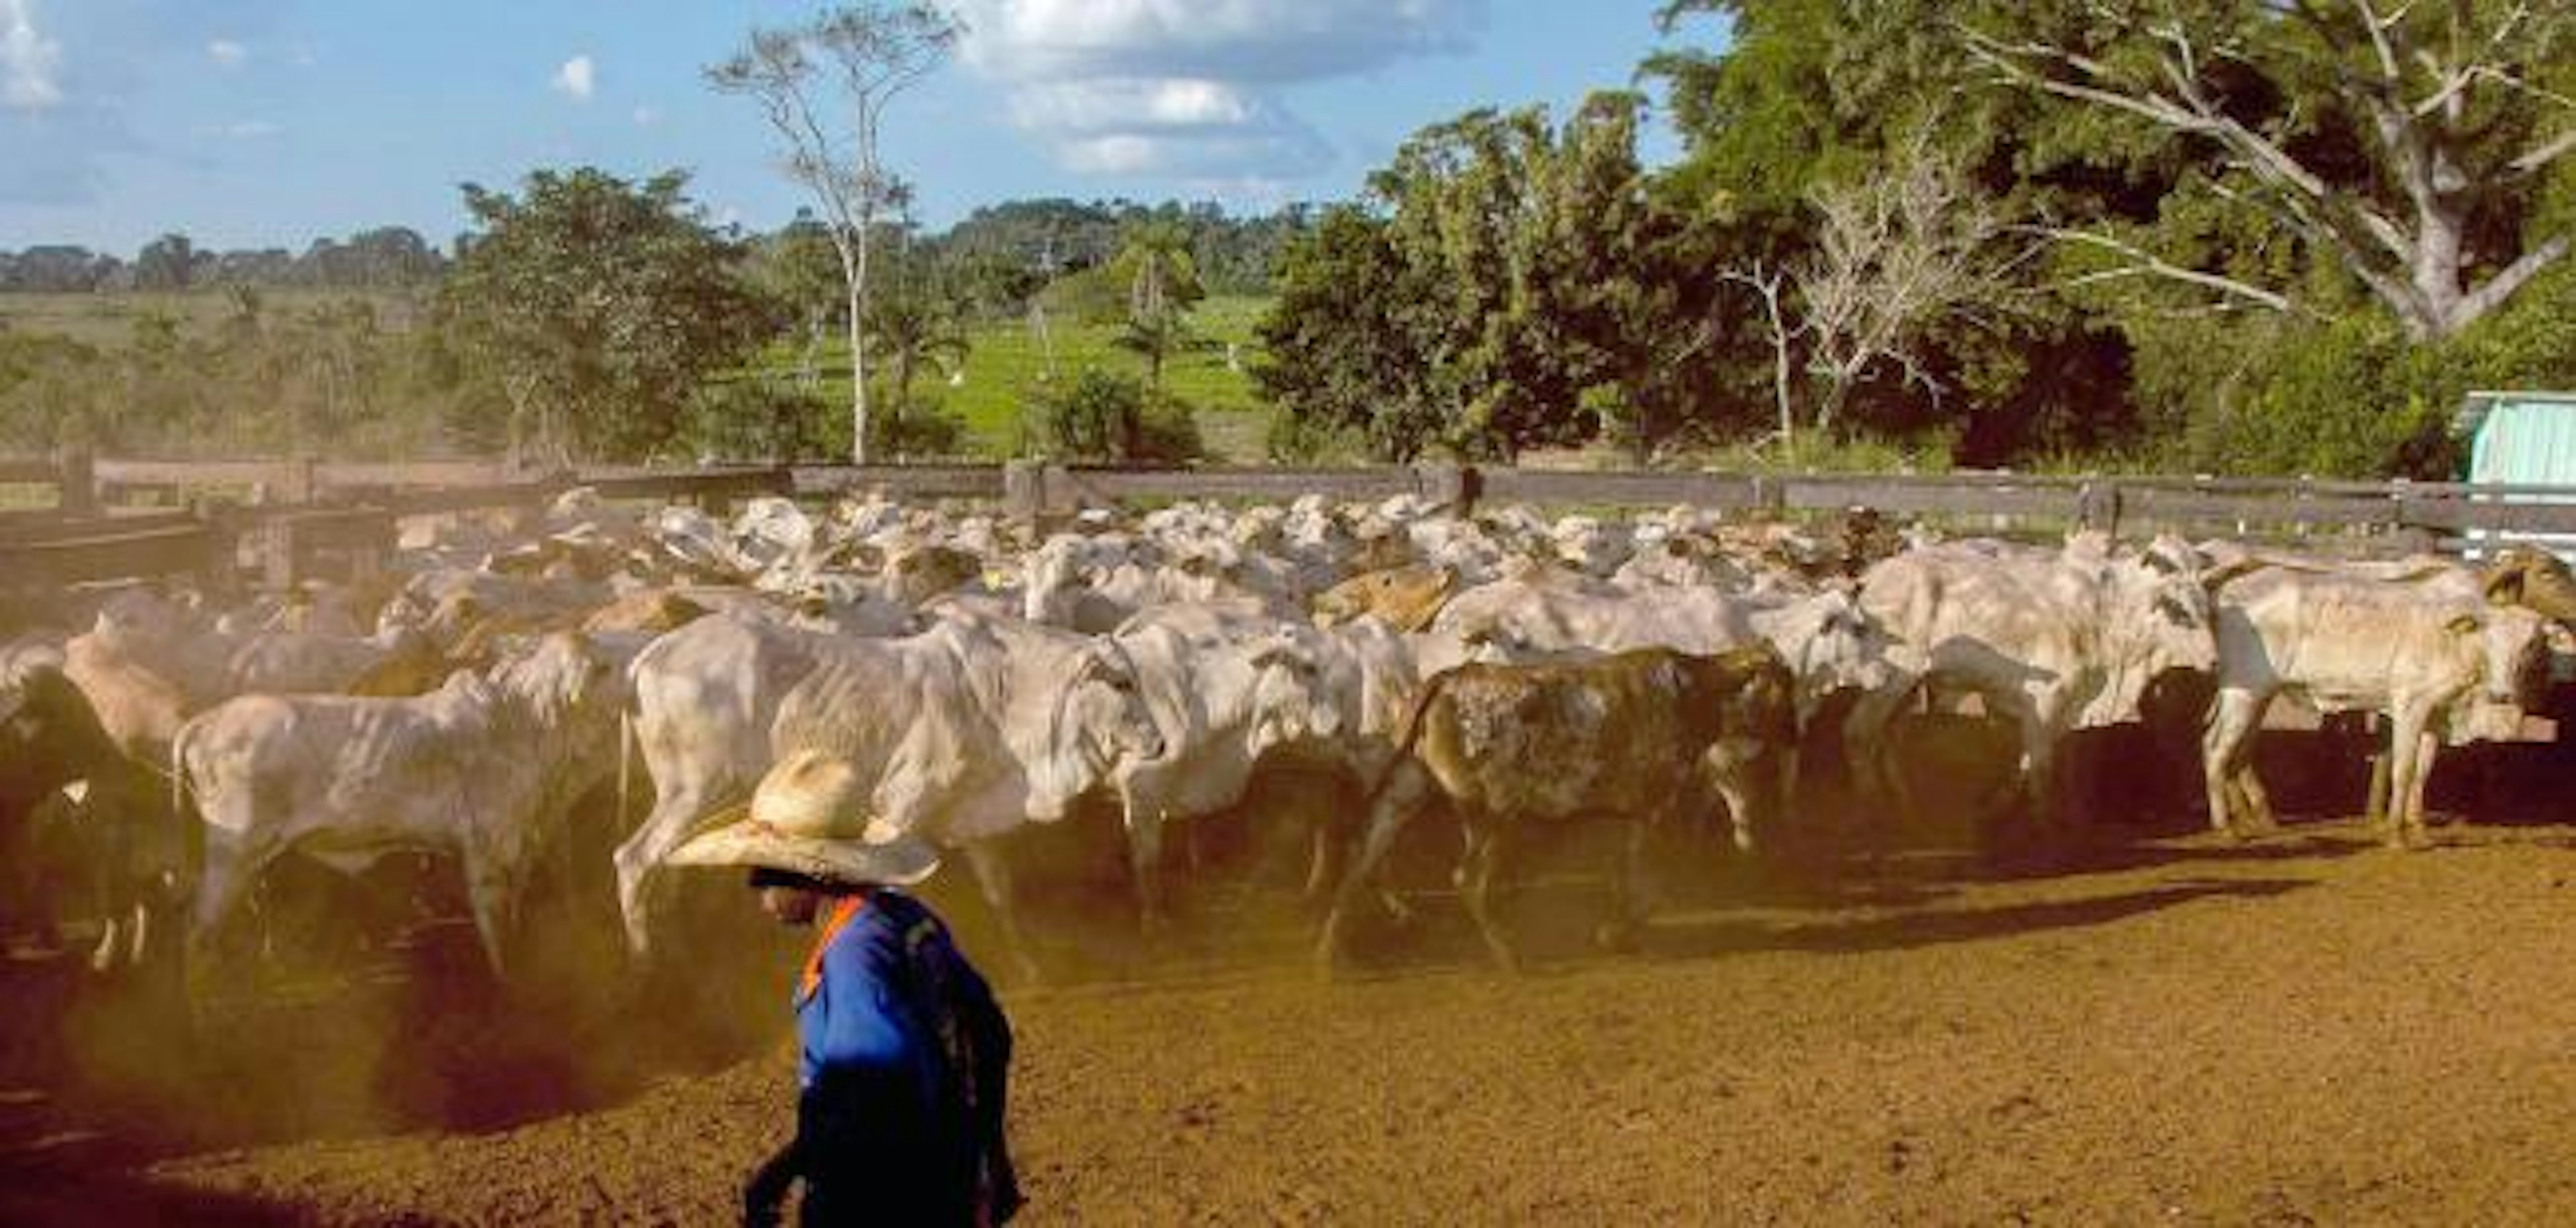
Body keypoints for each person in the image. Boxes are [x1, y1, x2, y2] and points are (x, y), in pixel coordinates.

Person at [670, 750, 1020, 1227]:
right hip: (945, 1173)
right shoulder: (906, 917)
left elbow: (868, 1094)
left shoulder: (852, 955)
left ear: (815, 872)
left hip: (879, 1190)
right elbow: (990, 1031)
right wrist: (989, 1154)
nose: (755, 884)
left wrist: (784, 1169)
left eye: (768, 871)